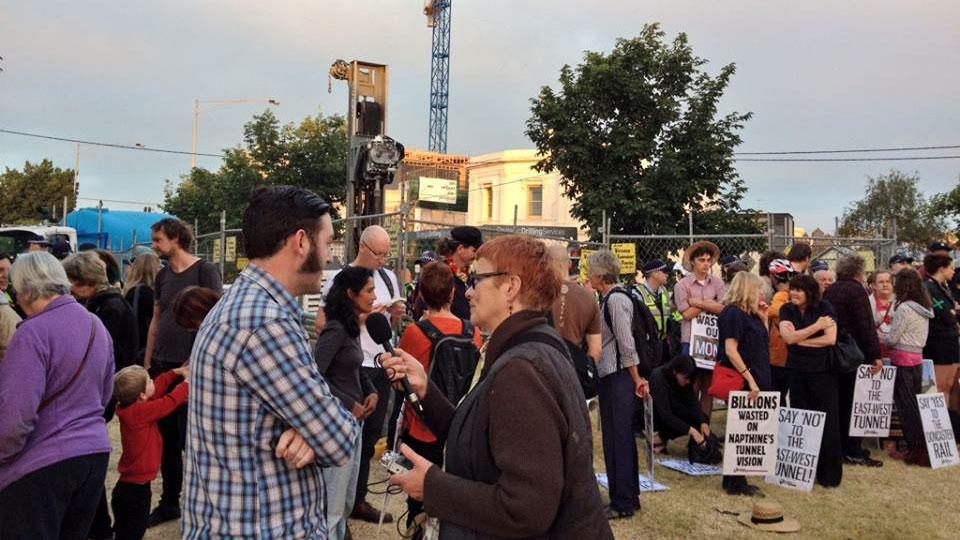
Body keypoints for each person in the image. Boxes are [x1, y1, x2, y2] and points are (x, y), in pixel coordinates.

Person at [384, 234, 613, 539]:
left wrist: (432, 487)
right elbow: (479, 439)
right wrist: (426, 390)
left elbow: (525, 508)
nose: (467, 292)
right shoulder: (528, 348)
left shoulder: (522, 369)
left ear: (510, 288)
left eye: (477, 279)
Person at [182, 186, 358, 538]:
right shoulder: (264, 323)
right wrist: (319, 429)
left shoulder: (246, 306)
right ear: (301, 242)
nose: (329, 257)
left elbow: (318, 426)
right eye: (328, 242)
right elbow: (339, 439)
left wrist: (310, 431)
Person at [0, 252, 114, 539]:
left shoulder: (32, 333)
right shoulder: (95, 325)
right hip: (93, 455)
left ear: (25, 289)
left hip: (42, 464)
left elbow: (15, 419)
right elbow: (105, 394)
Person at [143, 217, 222, 526]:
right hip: (164, 365)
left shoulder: (205, 271)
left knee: (195, 441)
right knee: (168, 442)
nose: (155, 245)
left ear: (175, 239)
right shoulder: (162, 276)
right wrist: (149, 363)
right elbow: (155, 318)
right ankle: (169, 503)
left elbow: (213, 317)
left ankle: (204, 506)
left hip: (190, 370)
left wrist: (195, 363)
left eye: (158, 239)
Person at [322, 225, 402, 524]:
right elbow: (324, 325)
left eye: (386, 254)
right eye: (379, 254)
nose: (383, 260)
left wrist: (393, 316)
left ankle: (356, 499)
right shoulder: (341, 280)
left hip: (376, 362)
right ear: (364, 247)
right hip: (352, 365)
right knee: (345, 441)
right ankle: (335, 511)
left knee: (369, 436)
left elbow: (390, 326)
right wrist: (361, 317)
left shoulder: (387, 277)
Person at [396, 261, 483, 530]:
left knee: (418, 496)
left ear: (420, 293)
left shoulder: (414, 333)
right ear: (452, 294)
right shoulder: (473, 332)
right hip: (458, 423)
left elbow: (402, 383)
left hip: (422, 428)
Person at [63, 250, 141, 538]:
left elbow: (95, 355)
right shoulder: (101, 305)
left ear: (85, 283)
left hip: (102, 395)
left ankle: (98, 527)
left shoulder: (108, 309)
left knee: (87, 467)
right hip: (101, 393)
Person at [313, 266, 380, 539]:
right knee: (333, 503)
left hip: (355, 421)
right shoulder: (336, 329)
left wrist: (371, 390)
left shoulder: (350, 327)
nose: (374, 297)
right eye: (369, 290)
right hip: (339, 424)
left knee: (346, 499)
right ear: (351, 294)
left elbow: (355, 368)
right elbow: (314, 374)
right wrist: (347, 402)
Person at [588, 249, 650, 519]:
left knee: (620, 438)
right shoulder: (608, 299)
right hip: (614, 375)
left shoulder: (615, 301)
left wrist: (636, 378)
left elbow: (626, 343)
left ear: (600, 274)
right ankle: (625, 495)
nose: (587, 275)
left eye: (589, 270)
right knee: (616, 438)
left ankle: (623, 501)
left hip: (619, 376)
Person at [111, 364, 189, 540]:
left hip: (127, 490)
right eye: (149, 380)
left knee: (125, 532)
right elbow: (169, 402)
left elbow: (158, 388)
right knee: (132, 534)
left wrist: (174, 372)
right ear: (142, 396)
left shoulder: (132, 407)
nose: (153, 380)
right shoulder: (140, 412)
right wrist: (187, 384)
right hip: (136, 494)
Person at [778, 274, 841, 487]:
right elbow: (788, 338)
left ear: (810, 292)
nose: (793, 293)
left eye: (799, 290)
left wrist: (800, 340)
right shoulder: (786, 309)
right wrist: (816, 328)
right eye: (792, 289)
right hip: (796, 371)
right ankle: (798, 472)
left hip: (823, 372)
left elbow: (831, 339)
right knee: (800, 418)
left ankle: (829, 474)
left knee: (827, 421)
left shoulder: (825, 307)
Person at [823, 254, 884, 467]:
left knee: (838, 403)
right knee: (853, 404)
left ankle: (838, 447)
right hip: (853, 354)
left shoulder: (831, 289)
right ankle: (853, 449)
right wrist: (875, 354)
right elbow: (865, 325)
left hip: (833, 352)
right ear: (859, 271)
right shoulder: (856, 291)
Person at [716, 272, 770, 496]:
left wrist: (764, 318)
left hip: (758, 374)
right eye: (758, 289)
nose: (761, 293)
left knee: (747, 429)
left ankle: (734, 478)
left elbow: (762, 342)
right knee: (742, 429)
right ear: (747, 290)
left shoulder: (752, 314)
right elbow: (731, 349)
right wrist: (749, 379)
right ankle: (736, 482)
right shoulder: (733, 313)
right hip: (746, 379)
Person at [885, 268, 934, 465]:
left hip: (902, 359)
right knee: (914, 404)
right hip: (917, 358)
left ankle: (914, 450)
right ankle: (918, 447)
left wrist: (884, 337)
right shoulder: (924, 307)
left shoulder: (905, 308)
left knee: (906, 408)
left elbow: (894, 337)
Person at [673, 240, 726, 420]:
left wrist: (698, 303)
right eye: (702, 260)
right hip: (691, 340)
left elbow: (723, 308)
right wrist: (709, 304)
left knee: (708, 387)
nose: (706, 264)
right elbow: (686, 314)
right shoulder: (682, 285)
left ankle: (705, 428)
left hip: (712, 340)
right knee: (692, 385)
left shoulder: (718, 283)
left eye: (708, 260)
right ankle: (693, 427)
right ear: (693, 262)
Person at [549, 244, 601, 363]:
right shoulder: (588, 297)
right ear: (569, 264)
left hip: (542, 366)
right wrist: (588, 372)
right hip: (573, 366)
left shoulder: (534, 295)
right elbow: (596, 349)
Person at [922, 253, 960, 410]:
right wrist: (953, 312)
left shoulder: (944, 287)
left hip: (950, 342)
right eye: (951, 268)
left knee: (950, 384)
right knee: (940, 385)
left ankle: (951, 421)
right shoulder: (930, 287)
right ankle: (938, 421)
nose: (953, 272)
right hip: (938, 344)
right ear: (941, 269)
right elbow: (945, 313)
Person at [648, 354, 710, 449]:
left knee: (698, 418)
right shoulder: (658, 378)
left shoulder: (685, 380)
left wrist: (703, 422)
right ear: (675, 371)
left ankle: (697, 447)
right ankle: (658, 439)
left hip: (672, 409)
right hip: (656, 413)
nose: (688, 382)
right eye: (685, 378)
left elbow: (692, 401)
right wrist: (692, 431)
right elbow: (665, 414)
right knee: (683, 420)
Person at [435, 225, 483, 320]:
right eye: (474, 250)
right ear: (460, 249)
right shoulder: (438, 274)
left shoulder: (470, 275)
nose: (476, 255)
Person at [766, 258, 797, 404]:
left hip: (778, 353)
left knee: (776, 396)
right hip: (793, 352)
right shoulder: (796, 294)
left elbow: (773, 310)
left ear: (773, 276)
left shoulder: (780, 295)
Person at [123, 252, 162, 362]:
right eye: (158, 266)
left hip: (134, 344)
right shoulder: (146, 293)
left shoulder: (131, 290)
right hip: (144, 345)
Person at [635, 258, 673, 361]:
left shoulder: (664, 291)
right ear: (654, 274)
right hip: (647, 344)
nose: (667, 275)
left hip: (663, 343)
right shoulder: (638, 293)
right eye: (664, 272)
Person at [867, 270, 894, 356]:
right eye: (881, 282)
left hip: (895, 351)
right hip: (875, 350)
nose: (885, 285)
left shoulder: (900, 302)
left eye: (888, 282)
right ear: (874, 285)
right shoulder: (867, 302)